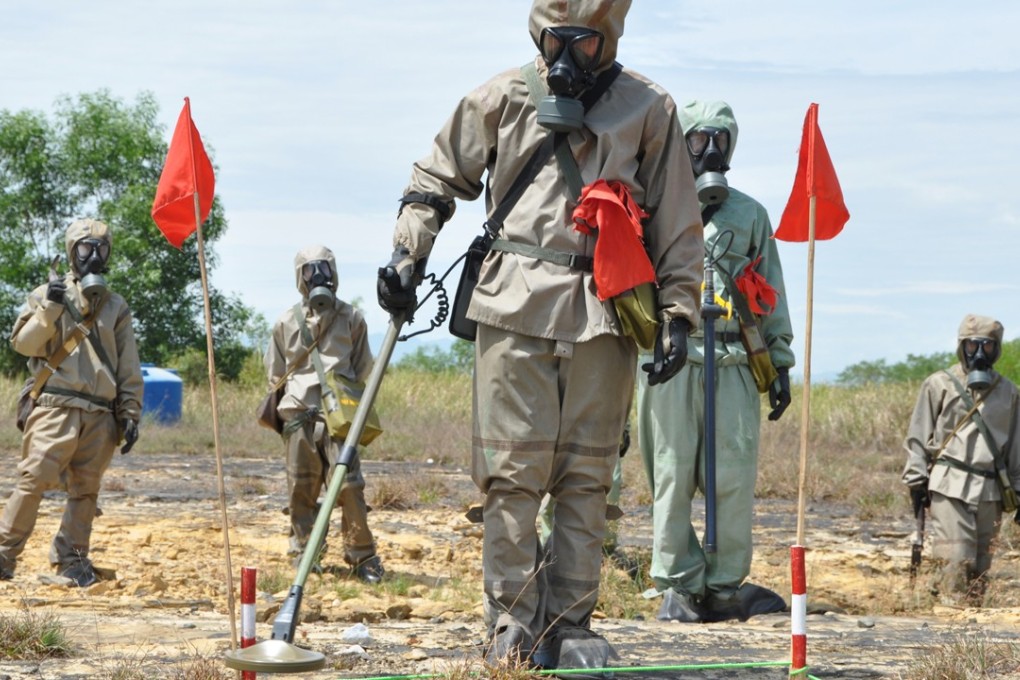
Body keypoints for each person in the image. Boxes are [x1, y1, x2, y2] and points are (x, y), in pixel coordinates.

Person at [377, 0, 703, 672]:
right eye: (555, 39)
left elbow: (677, 220)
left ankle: (572, 623)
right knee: (512, 477)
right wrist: (407, 256)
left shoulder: (648, 108)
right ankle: (510, 624)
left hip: (605, 313)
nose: (566, 55)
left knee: (587, 477)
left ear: (607, 39)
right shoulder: (501, 97)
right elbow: (434, 179)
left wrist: (678, 316)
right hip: (513, 307)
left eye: (583, 42)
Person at [636, 100, 795, 624]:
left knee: (732, 473)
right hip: (671, 356)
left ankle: (724, 585)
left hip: (732, 359)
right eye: (699, 139)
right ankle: (680, 583)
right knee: (672, 470)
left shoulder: (750, 215)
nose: (709, 151)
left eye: (719, 140)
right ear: (680, 142)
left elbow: (770, 291)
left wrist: (781, 361)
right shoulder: (652, 205)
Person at [1, 218, 142, 587]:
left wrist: (130, 411)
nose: (93, 256)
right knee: (33, 480)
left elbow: (129, 365)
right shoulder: (46, 294)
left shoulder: (115, 306)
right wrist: (49, 308)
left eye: (101, 249)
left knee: (86, 488)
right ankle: (4, 554)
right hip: (54, 404)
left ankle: (72, 558)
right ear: (71, 251)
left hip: (100, 413)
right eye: (85, 248)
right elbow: (24, 346)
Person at [265, 245, 385, 583]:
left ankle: (362, 557)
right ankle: (306, 555)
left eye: (324, 269)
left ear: (334, 272)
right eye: (310, 270)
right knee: (300, 490)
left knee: (350, 487)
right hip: (299, 417)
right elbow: (275, 375)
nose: (318, 277)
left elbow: (363, 369)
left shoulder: (352, 318)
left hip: (339, 421)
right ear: (299, 277)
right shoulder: (286, 322)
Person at [902, 313, 1020, 605]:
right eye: (972, 345)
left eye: (987, 346)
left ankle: (971, 624)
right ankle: (949, 614)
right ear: (961, 346)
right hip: (948, 484)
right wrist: (916, 478)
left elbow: (1016, 447)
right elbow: (918, 434)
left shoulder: (1009, 392)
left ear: (997, 348)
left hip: (991, 490)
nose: (979, 352)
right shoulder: (939, 384)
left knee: (980, 566)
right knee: (956, 558)